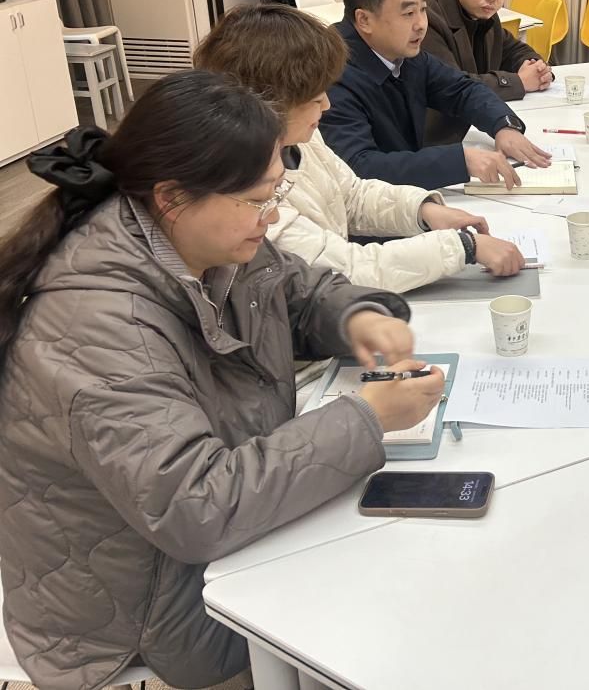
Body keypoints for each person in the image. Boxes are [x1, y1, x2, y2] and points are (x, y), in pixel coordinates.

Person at [0, 72, 442, 690]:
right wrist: (367, 417)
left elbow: (295, 288)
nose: (272, 215)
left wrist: (356, 316)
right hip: (143, 617)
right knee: (395, 610)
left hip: (197, 550)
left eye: (275, 193)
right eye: (257, 200)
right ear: (172, 197)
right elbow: (197, 505)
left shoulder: (195, 236)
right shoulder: (96, 326)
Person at [194, 2, 526, 287]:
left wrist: (424, 211)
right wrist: (463, 247)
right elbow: (347, 270)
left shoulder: (298, 138)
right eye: (314, 99)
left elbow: (352, 194)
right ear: (267, 105)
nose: (326, 105)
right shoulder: (247, 196)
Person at [321, 0, 551, 190]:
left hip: (409, 196)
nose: (421, 24)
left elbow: (461, 89)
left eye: (423, 9)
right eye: (408, 13)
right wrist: (460, 161)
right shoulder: (330, 73)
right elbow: (360, 167)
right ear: (364, 20)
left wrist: (503, 125)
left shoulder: (402, 52)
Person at [422, 0, 554, 143]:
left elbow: (513, 49)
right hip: (435, 141)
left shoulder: (485, 15)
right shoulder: (427, 20)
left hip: (474, 129)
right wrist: (519, 82)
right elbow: (455, 87)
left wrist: (537, 67)